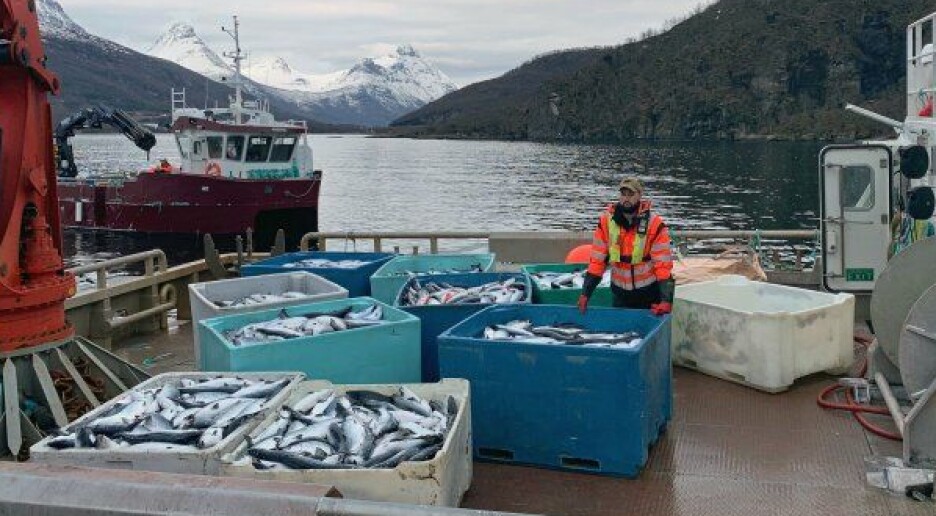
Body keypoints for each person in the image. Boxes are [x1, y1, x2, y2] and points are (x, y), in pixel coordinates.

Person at [578, 177, 675, 315]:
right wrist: (585, 294)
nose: (626, 199)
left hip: (648, 295)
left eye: (631, 194)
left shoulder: (655, 224)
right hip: (620, 295)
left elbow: (663, 265)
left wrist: (666, 301)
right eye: (623, 194)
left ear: (639, 196)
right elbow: (597, 261)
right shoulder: (606, 222)